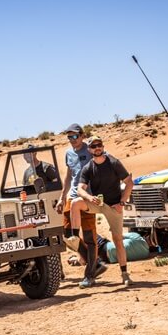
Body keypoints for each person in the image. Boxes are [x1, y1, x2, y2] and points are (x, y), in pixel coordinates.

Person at [67, 135, 134, 287]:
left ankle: (125, 274)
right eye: (93, 146)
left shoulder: (113, 163)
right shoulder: (88, 168)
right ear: (89, 150)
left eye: (99, 145)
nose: (97, 148)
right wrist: (89, 198)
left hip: (114, 206)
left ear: (103, 147)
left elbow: (129, 183)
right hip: (98, 203)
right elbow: (80, 189)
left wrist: (122, 202)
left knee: (118, 240)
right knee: (76, 203)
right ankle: (74, 236)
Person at [56, 124, 108, 289]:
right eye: (69, 137)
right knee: (67, 234)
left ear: (82, 136)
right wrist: (62, 197)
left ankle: (90, 274)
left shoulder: (91, 150)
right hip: (72, 197)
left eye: (75, 136)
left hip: (87, 199)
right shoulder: (68, 153)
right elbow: (69, 176)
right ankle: (96, 263)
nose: (72, 139)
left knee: (89, 237)